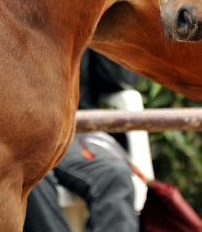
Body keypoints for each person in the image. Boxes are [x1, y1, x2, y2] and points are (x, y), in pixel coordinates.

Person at [24, 49, 140, 232]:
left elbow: (120, 80)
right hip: (17, 136)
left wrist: (100, 30)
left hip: (75, 131)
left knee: (114, 173)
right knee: (27, 173)